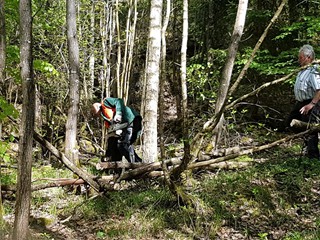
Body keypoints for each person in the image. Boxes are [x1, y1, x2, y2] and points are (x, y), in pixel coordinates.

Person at [287, 44, 320, 159]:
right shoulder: (302, 70)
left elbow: (319, 89)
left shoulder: (314, 70)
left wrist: (311, 104)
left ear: (308, 57)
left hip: (311, 102)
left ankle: (313, 154)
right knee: (290, 122)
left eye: (301, 57)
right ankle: (307, 145)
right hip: (301, 103)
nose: (298, 60)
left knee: (309, 128)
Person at [92, 97, 142, 163]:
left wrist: (119, 113)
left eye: (97, 113)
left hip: (132, 120)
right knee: (119, 146)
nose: (98, 115)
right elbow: (111, 133)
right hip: (126, 126)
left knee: (124, 145)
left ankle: (136, 164)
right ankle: (119, 166)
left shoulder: (106, 102)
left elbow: (119, 101)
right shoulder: (106, 118)